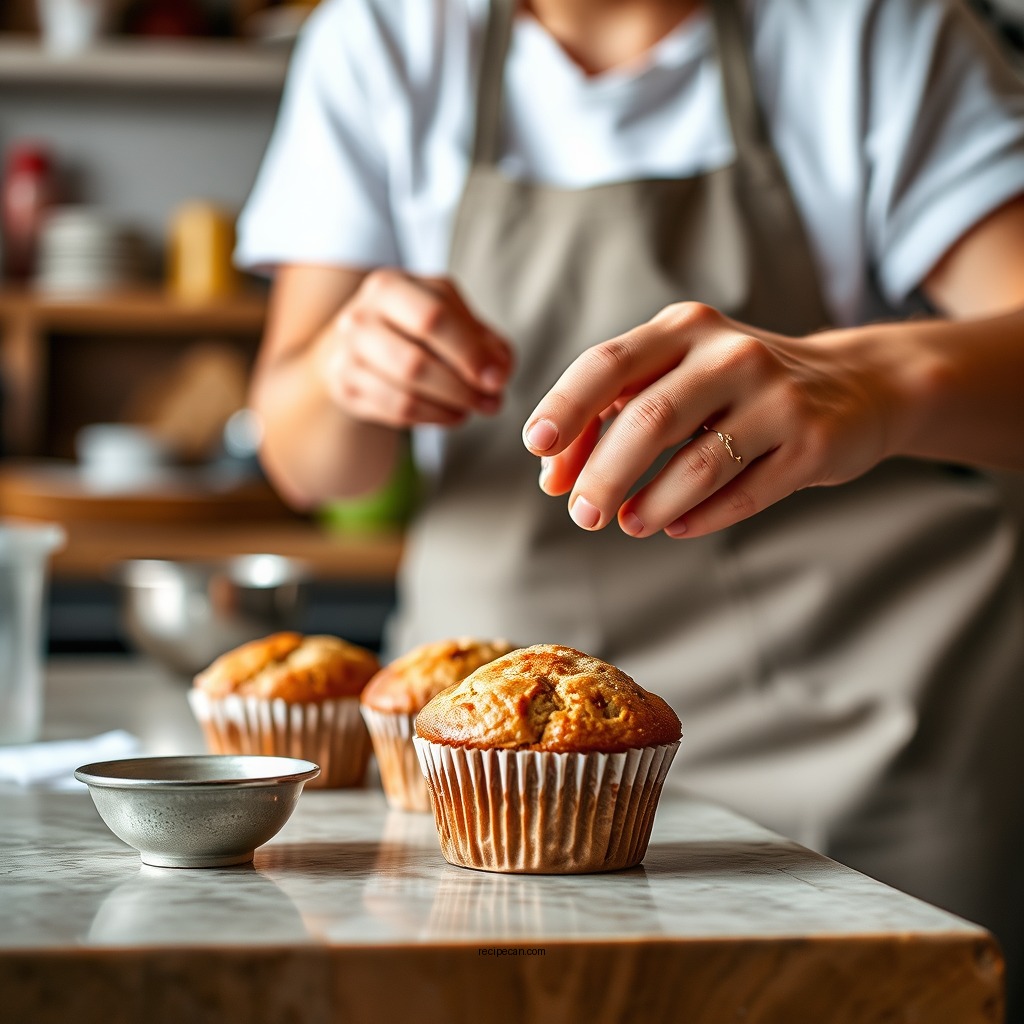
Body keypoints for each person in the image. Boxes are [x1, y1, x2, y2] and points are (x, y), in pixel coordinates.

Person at [235, 0, 1024, 1014]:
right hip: (485, 787)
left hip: (861, 757)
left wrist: (870, 378)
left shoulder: (873, 29)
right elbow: (312, 466)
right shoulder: (387, 35)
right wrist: (347, 369)